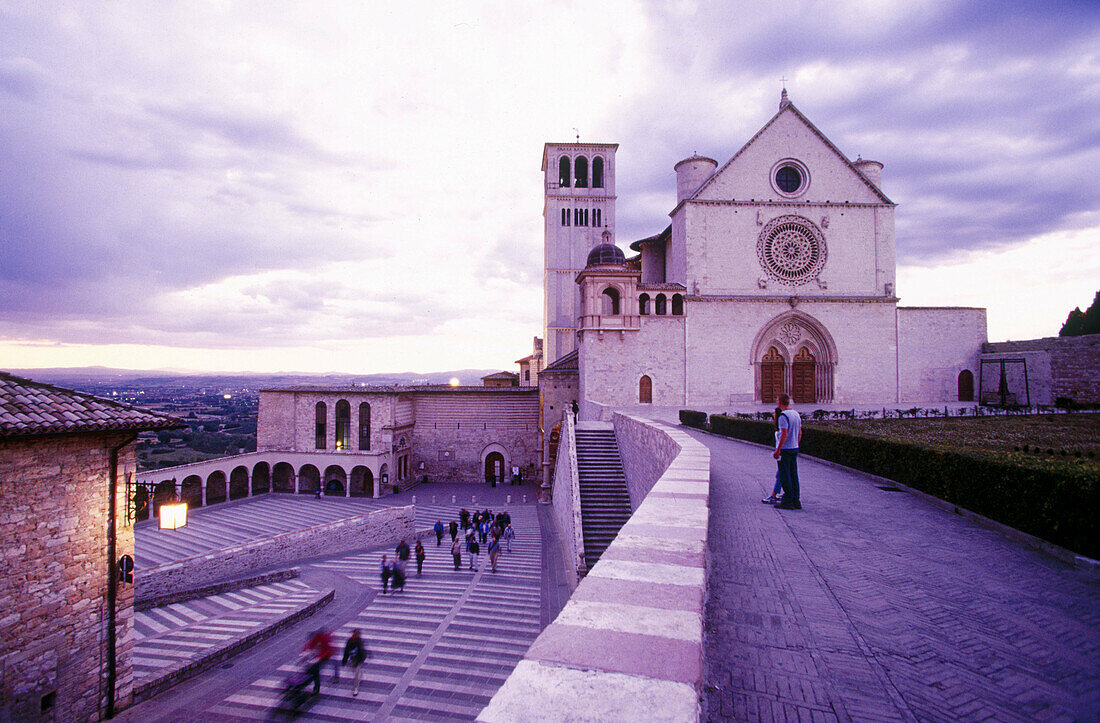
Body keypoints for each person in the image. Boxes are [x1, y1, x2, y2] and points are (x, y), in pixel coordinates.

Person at [773, 393, 803, 510]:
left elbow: (784, 434)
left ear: (780, 402)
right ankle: (796, 500)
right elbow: (800, 433)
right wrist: (796, 444)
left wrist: (778, 450)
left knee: (785, 476)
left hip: (785, 450)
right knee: (794, 474)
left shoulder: (783, 416)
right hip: (794, 448)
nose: (776, 402)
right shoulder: (796, 414)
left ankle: (788, 500)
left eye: (777, 400)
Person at [762, 406, 785, 505]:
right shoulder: (780, 425)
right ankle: (784, 493)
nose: (773, 415)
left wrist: (778, 451)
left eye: (774, 413)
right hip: (782, 452)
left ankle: (774, 495)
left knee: (780, 474)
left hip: (782, 453)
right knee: (782, 474)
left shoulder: (782, 425)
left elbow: (783, 438)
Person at [302, 629, 334, 694]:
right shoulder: (317, 638)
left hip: (323, 658)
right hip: (316, 656)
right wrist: (305, 653)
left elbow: (327, 651)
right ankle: (311, 685)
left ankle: (316, 688)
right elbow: (310, 646)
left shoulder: (324, 639)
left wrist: (320, 657)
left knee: (315, 672)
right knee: (311, 671)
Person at [341, 629, 369, 697]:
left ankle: (355, 688)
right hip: (353, 659)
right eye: (353, 634)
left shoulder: (359, 642)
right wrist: (344, 660)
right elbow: (346, 651)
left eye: (355, 635)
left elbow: (362, 651)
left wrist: (360, 660)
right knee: (355, 671)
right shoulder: (349, 641)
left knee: (356, 674)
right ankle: (361, 674)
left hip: (358, 659)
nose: (353, 636)